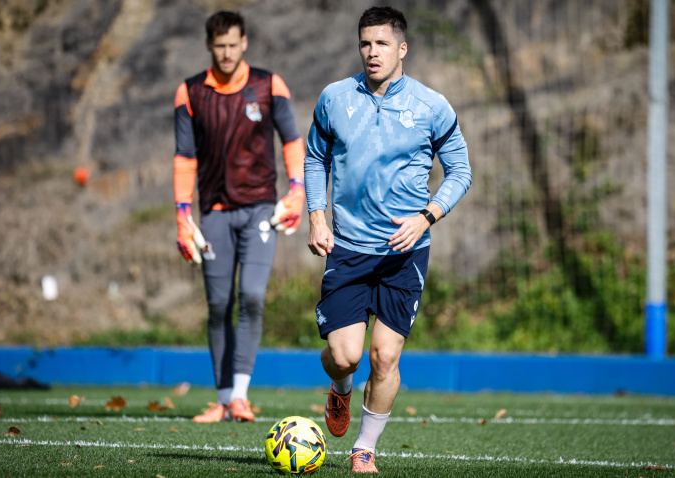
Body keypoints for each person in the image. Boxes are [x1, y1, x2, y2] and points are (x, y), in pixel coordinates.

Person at [304, 6, 472, 473]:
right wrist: (318, 218)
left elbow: (461, 172)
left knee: (384, 355)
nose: (371, 52)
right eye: (364, 43)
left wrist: (427, 216)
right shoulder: (335, 98)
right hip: (349, 248)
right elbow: (315, 159)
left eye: (381, 43)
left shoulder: (431, 106)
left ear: (401, 49)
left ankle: (364, 448)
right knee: (345, 357)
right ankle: (339, 391)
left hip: (405, 253)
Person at [173, 11, 306, 423]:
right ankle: (224, 397)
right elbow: (184, 158)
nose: (227, 53)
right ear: (209, 46)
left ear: (244, 42)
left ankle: (242, 397)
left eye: (233, 44)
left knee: (250, 297)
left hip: (261, 213)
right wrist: (182, 214)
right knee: (218, 305)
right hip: (213, 213)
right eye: (220, 46)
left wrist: (298, 191)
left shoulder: (269, 85)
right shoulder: (190, 92)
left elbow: (292, 141)